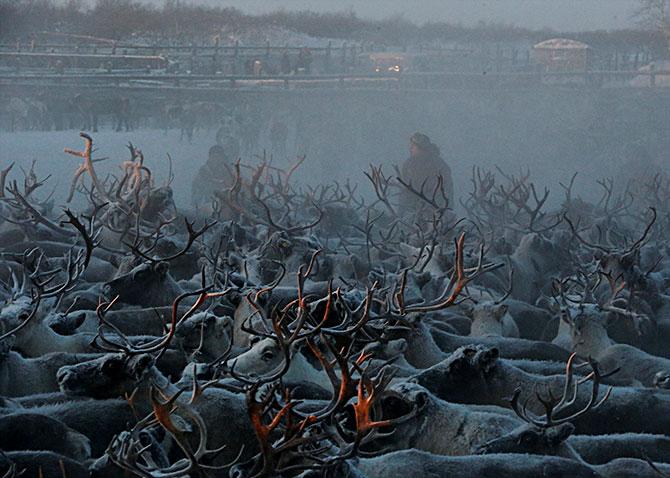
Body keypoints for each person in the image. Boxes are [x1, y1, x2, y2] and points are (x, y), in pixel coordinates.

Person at [397, 132, 454, 216]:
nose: (410, 148)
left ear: (421, 148)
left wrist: (444, 210)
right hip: (412, 210)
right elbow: (404, 189)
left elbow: (447, 190)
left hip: (435, 210)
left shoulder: (439, 165)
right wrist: (401, 212)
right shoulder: (408, 164)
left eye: (413, 146)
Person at [191, 142, 240, 207]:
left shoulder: (228, 171)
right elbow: (196, 190)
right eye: (214, 156)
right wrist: (196, 204)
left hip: (226, 204)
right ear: (210, 157)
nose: (216, 159)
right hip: (208, 204)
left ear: (222, 158)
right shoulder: (203, 172)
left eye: (218, 157)